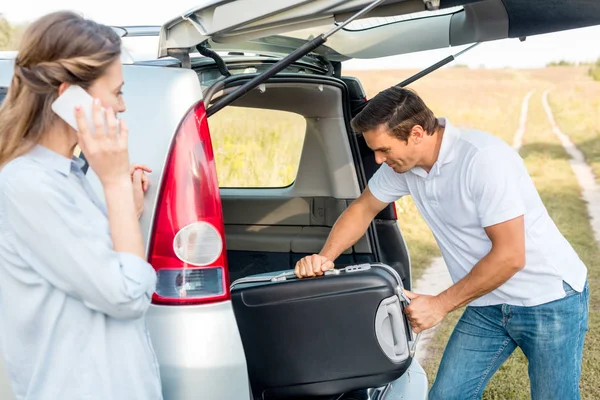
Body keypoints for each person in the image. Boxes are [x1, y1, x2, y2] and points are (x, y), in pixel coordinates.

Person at [295, 86, 589, 399]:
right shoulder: (403, 166)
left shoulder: (482, 160)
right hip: (487, 302)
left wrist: (440, 304)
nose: (379, 159)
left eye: (384, 150)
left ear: (417, 133)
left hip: (548, 298)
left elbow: (511, 256)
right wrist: (325, 258)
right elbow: (362, 208)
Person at [0, 11, 162, 400]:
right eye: (117, 91)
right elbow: (128, 295)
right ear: (69, 96)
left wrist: (125, 208)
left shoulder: (69, 178)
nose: (122, 107)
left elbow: (88, 264)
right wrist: (115, 186)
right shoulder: (27, 184)